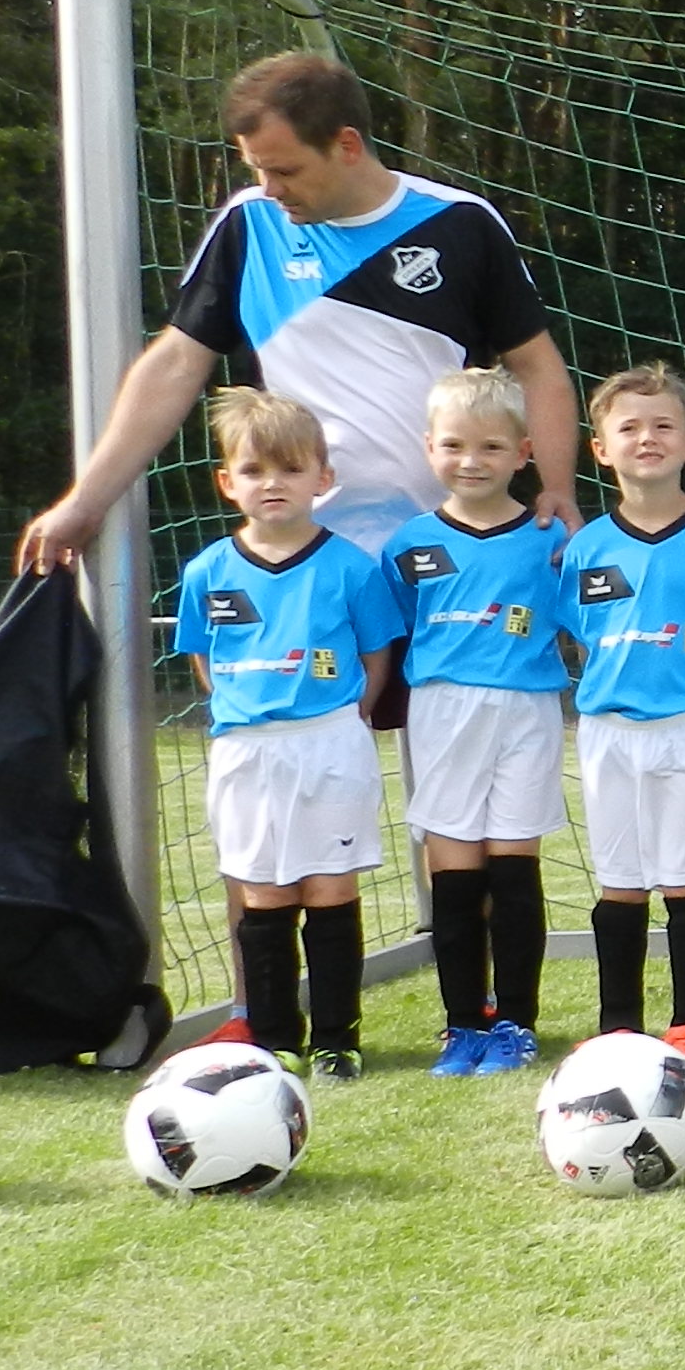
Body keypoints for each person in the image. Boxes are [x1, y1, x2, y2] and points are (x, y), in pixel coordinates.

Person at [21, 52, 580, 584]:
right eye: (258, 169)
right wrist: (85, 501)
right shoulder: (249, 224)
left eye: (286, 170)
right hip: (304, 558)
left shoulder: (459, 222)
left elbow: (537, 368)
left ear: (347, 145)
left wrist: (558, 489)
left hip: (454, 550)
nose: (271, 188)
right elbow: (174, 365)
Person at [172, 387, 404, 1077]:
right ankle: (274, 1040)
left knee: (329, 889)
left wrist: (340, 714)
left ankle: (336, 1039)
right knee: (264, 893)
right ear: (227, 482)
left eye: (291, 469)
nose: (272, 483)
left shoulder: (351, 567)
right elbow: (204, 660)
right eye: (254, 470)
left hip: (330, 741)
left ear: (322, 479)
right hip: (246, 749)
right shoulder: (207, 571)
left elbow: (376, 657)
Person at [558, 366, 685, 1062]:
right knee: (618, 880)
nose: (647, 437)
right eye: (629, 427)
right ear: (600, 449)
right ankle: (618, 1023)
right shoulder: (587, 547)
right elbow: (577, 635)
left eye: (663, 425)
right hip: (608, 731)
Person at [382, 366, 567, 1077]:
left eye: (491, 447)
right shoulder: (408, 545)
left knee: (514, 869)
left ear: (523, 452)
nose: (471, 461)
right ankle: (463, 1024)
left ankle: (516, 1022)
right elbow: (399, 628)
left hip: (525, 711)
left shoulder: (551, 539)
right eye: (455, 445)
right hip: (442, 712)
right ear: (429, 448)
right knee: (455, 874)